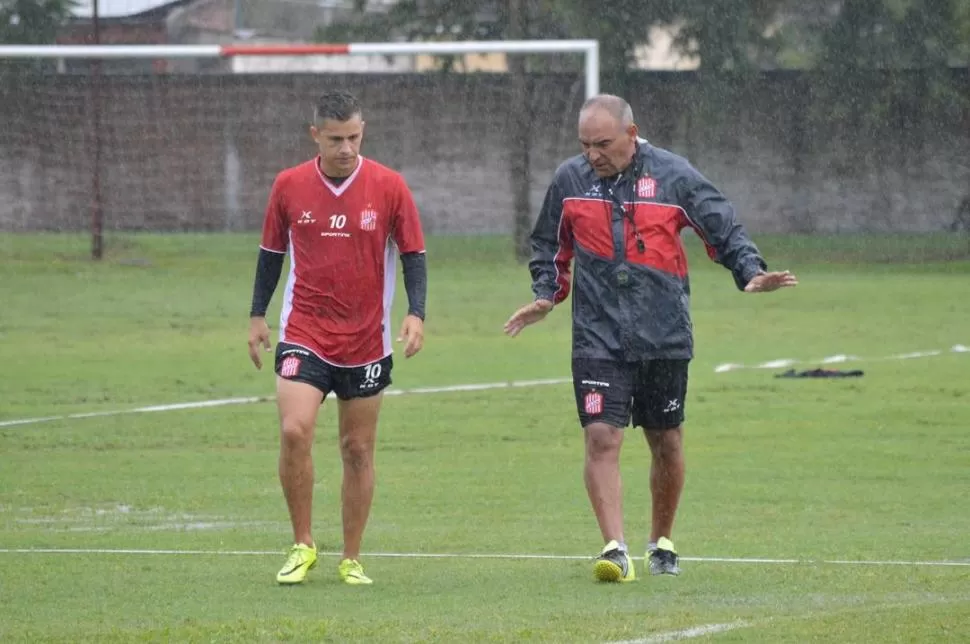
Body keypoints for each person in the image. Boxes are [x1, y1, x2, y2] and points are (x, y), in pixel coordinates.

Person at [504, 94, 797, 583]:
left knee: (666, 440)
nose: (593, 154)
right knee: (601, 436)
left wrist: (749, 270)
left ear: (631, 134)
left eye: (603, 144)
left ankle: (661, 540)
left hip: (663, 333)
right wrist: (546, 294)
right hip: (597, 336)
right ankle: (615, 549)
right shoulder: (569, 181)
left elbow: (721, 224)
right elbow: (548, 246)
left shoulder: (673, 175)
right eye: (585, 145)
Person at [248, 90, 428, 586]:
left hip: (367, 339)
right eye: (335, 139)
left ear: (362, 131)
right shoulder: (288, 186)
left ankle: (351, 557)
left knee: (356, 449)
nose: (346, 147)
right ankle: (302, 543)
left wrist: (416, 313)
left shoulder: (389, 187)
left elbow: (413, 254)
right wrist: (256, 315)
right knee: (293, 430)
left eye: (353, 136)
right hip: (305, 330)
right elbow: (270, 253)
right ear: (315, 136)